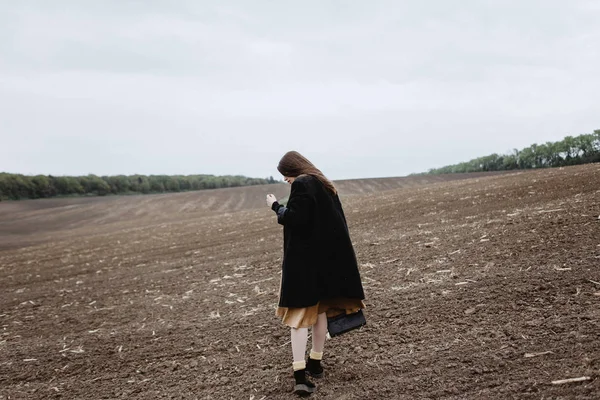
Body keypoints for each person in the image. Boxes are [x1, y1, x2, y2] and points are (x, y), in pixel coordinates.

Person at [266, 151, 365, 396]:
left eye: (285, 176)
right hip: (325, 264)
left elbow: (297, 219)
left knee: (298, 318)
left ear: (292, 170)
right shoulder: (324, 184)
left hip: (304, 265)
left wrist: (276, 207)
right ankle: (315, 362)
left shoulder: (302, 183)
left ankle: (300, 375)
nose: (286, 181)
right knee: (320, 313)